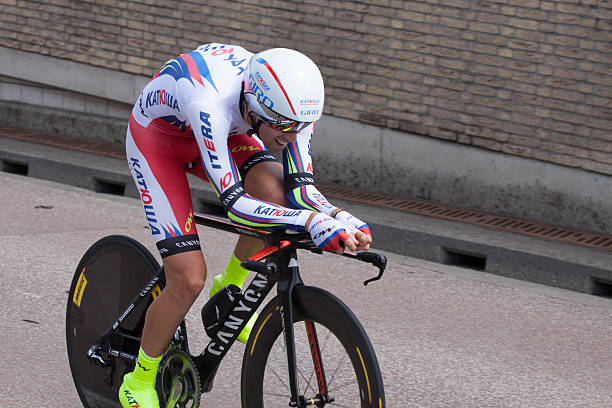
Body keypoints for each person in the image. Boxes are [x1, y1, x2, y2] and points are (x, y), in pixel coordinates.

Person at [119, 43, 372, 408]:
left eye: (301, 126)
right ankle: (138, 379)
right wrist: (313, 222)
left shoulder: (288, 111)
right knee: (187, 278)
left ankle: (230, 286)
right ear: (254, 107)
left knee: (276, 193)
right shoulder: (210, 102)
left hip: (226, 135)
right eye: (283, 126)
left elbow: (301, 190)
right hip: (158, 142)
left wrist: (340, 218)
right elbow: (236, 205)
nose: (291, 135)